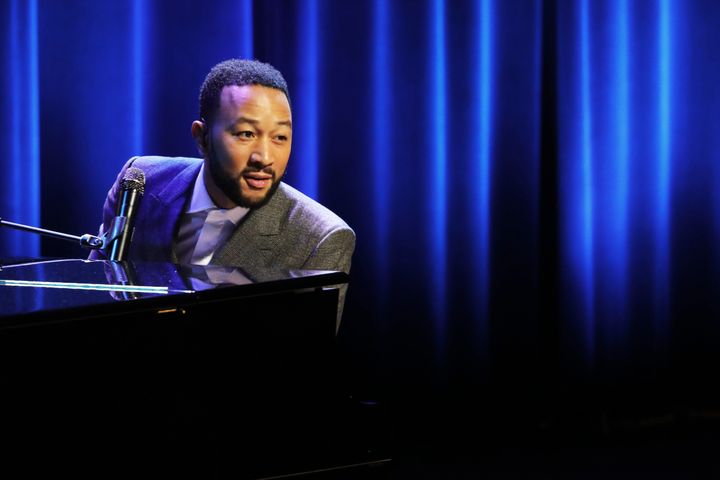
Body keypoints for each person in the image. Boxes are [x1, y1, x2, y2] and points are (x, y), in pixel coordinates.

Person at [91, 59, 355, 328]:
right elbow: (91, 295)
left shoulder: (320, 239)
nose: (264, 157)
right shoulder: (142, 182)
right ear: (202, 137)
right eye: (246, 133)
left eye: (280, 137)